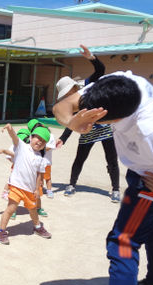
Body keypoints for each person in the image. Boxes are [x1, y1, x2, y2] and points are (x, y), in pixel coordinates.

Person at [53, 71, 153, 285]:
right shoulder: (119, 84)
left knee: (123, 243)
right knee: (152, 226)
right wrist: (72, 122)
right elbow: (61, 106)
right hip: (144, 171)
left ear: (111, 120)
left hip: (152, 185)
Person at [56, 45, 120, 203]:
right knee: (80, 158)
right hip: (87, 131)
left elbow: (100, 70)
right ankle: (71, 185)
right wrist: (63, 138)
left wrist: (92, 57)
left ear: (73, 87)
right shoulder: (71, 104)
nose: (67, 96)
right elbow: (72, 122)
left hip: (104, 128)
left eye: (67, 92)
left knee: (111, 159)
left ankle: (116, 189)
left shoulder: (87, 87)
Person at [0, 124, 52, 245]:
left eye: (43, 141)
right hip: (16, 186)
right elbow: (15, 138)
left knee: (33, 209)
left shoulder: (41, 159)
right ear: (31, 137)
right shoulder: (22, 147)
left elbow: (39, 175)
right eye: (38, 138)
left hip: (30, 190)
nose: (40, 142)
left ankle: (37, 227)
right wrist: (10, 129)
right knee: (10, 209)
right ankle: (2, 231)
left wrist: (37, 189)